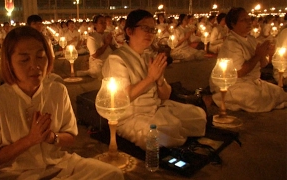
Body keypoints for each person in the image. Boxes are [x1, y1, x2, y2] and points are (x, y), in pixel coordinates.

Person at [0, 26, 124, 179]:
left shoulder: (57, 91)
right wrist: (30, 140)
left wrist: (52, 137)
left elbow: (70, 136)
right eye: (24, 59)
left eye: (40, 56)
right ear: (9, 63)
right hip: (16, 173)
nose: (35, 65)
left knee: (113, 174)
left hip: (59, 165)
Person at [102, 9, 206, 150]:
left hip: (157, 109)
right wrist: (151, 77)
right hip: (132, 117)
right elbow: (123, 97)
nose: (150, 34)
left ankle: (177, 132)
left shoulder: (148, 57)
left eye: (153, 30)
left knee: (199, 116)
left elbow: (165, 95)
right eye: (145, 28)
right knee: (165, 131)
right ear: (129, 31)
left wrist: (159, 80)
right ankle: (176, 133)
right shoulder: (116, 59)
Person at [209, 7, 287, 112]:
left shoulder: (251, 40)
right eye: (243, 20)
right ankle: (216, 98)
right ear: (233, 24)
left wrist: (268, 54)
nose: (249, 22)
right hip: (235, 83)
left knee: (279, 93)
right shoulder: (232, 43)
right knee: (255, 98)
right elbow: (238, 73)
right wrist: (258, 55)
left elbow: (262, 64)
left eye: (248, 19)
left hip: (253, 82)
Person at [77, 14, 115, 78]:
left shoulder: (108, 34)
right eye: (101, 23)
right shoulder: (92, 37)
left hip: (110, 60)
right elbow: (95, 55)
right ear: (95, 24)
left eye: (104, 22)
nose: (104, 24)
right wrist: (106, 44)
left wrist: (110, 43)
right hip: (99, 63)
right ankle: (89, 72)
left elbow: (115, 49)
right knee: (100, 72)